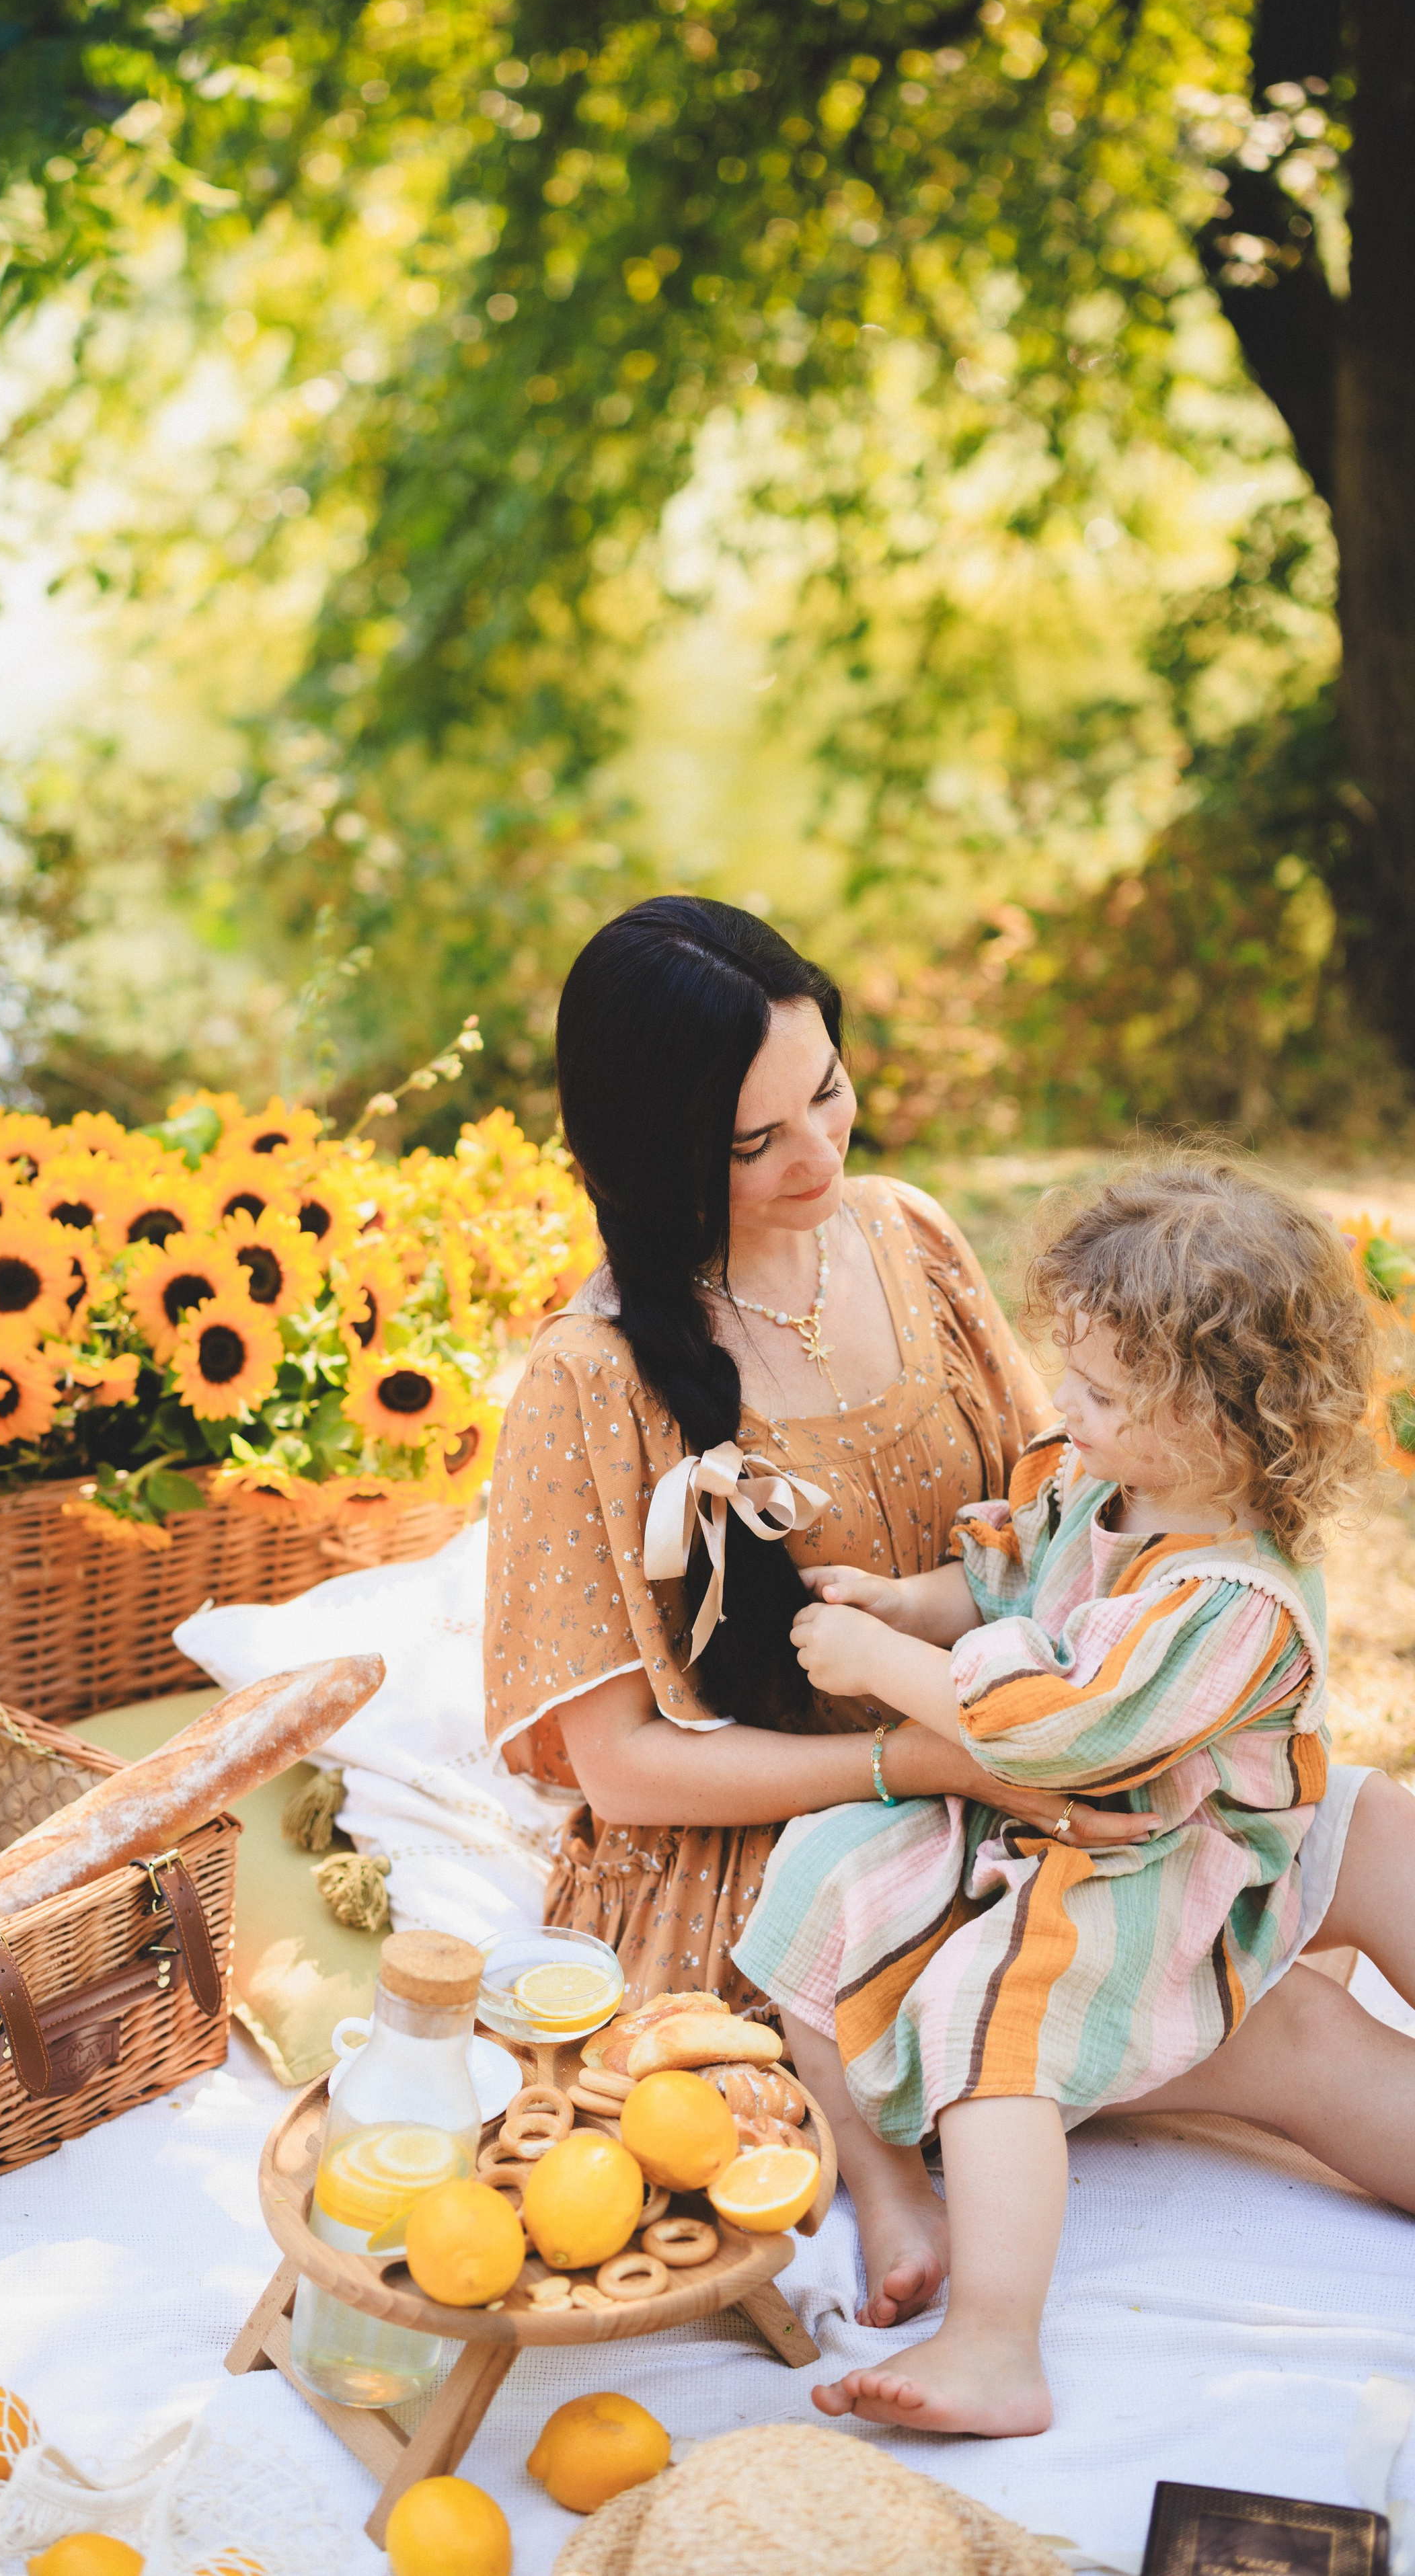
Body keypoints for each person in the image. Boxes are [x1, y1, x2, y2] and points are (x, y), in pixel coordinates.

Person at [482, 893, 1415, 2337]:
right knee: (1284, 2015)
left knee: (1381, 1826)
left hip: (1030, 1726)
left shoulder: (904, 1237)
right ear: (649, 1148)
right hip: (827, 1836)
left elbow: (1066, 1501)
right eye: (754, 1141)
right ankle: (937, 2175)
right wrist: (935, 1758)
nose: (820, 1153)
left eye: (830, 1091)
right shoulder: (589, 1378)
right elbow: (621, 1767)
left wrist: (1142, 1709)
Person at [733, 1157, 1380, 2434]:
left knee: (997, 2006)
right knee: (814, 1875)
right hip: (1037, 1814)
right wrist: (904, 1605)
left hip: (1160, 1848)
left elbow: (1061, 1730)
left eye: (1096, 1389)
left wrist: (885, 1668)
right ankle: (888, 2182)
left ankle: (995, 2344)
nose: (1062, 1404)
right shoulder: (1105, 1480)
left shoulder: (1232, 1605)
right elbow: (1010, 1585)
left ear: (1217, 1421)